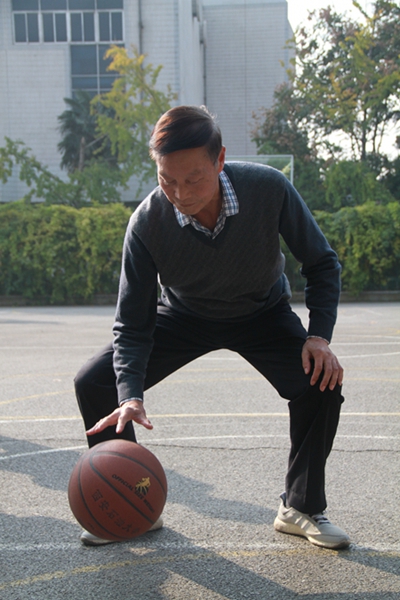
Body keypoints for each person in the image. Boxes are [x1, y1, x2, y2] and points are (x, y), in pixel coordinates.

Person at [75, 105, 350, 549]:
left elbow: (321, 263)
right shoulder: (146, 223)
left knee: (321, 380)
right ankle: (132, 506)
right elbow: (132, 322)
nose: (179, 193)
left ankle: (300, 507)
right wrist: (130, 395)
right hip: (184, 315)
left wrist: (319, 335)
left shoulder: (268, 188)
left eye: (193, 179)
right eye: (167, 180)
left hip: (262, 312)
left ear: (219, 160)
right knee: (95, 382)